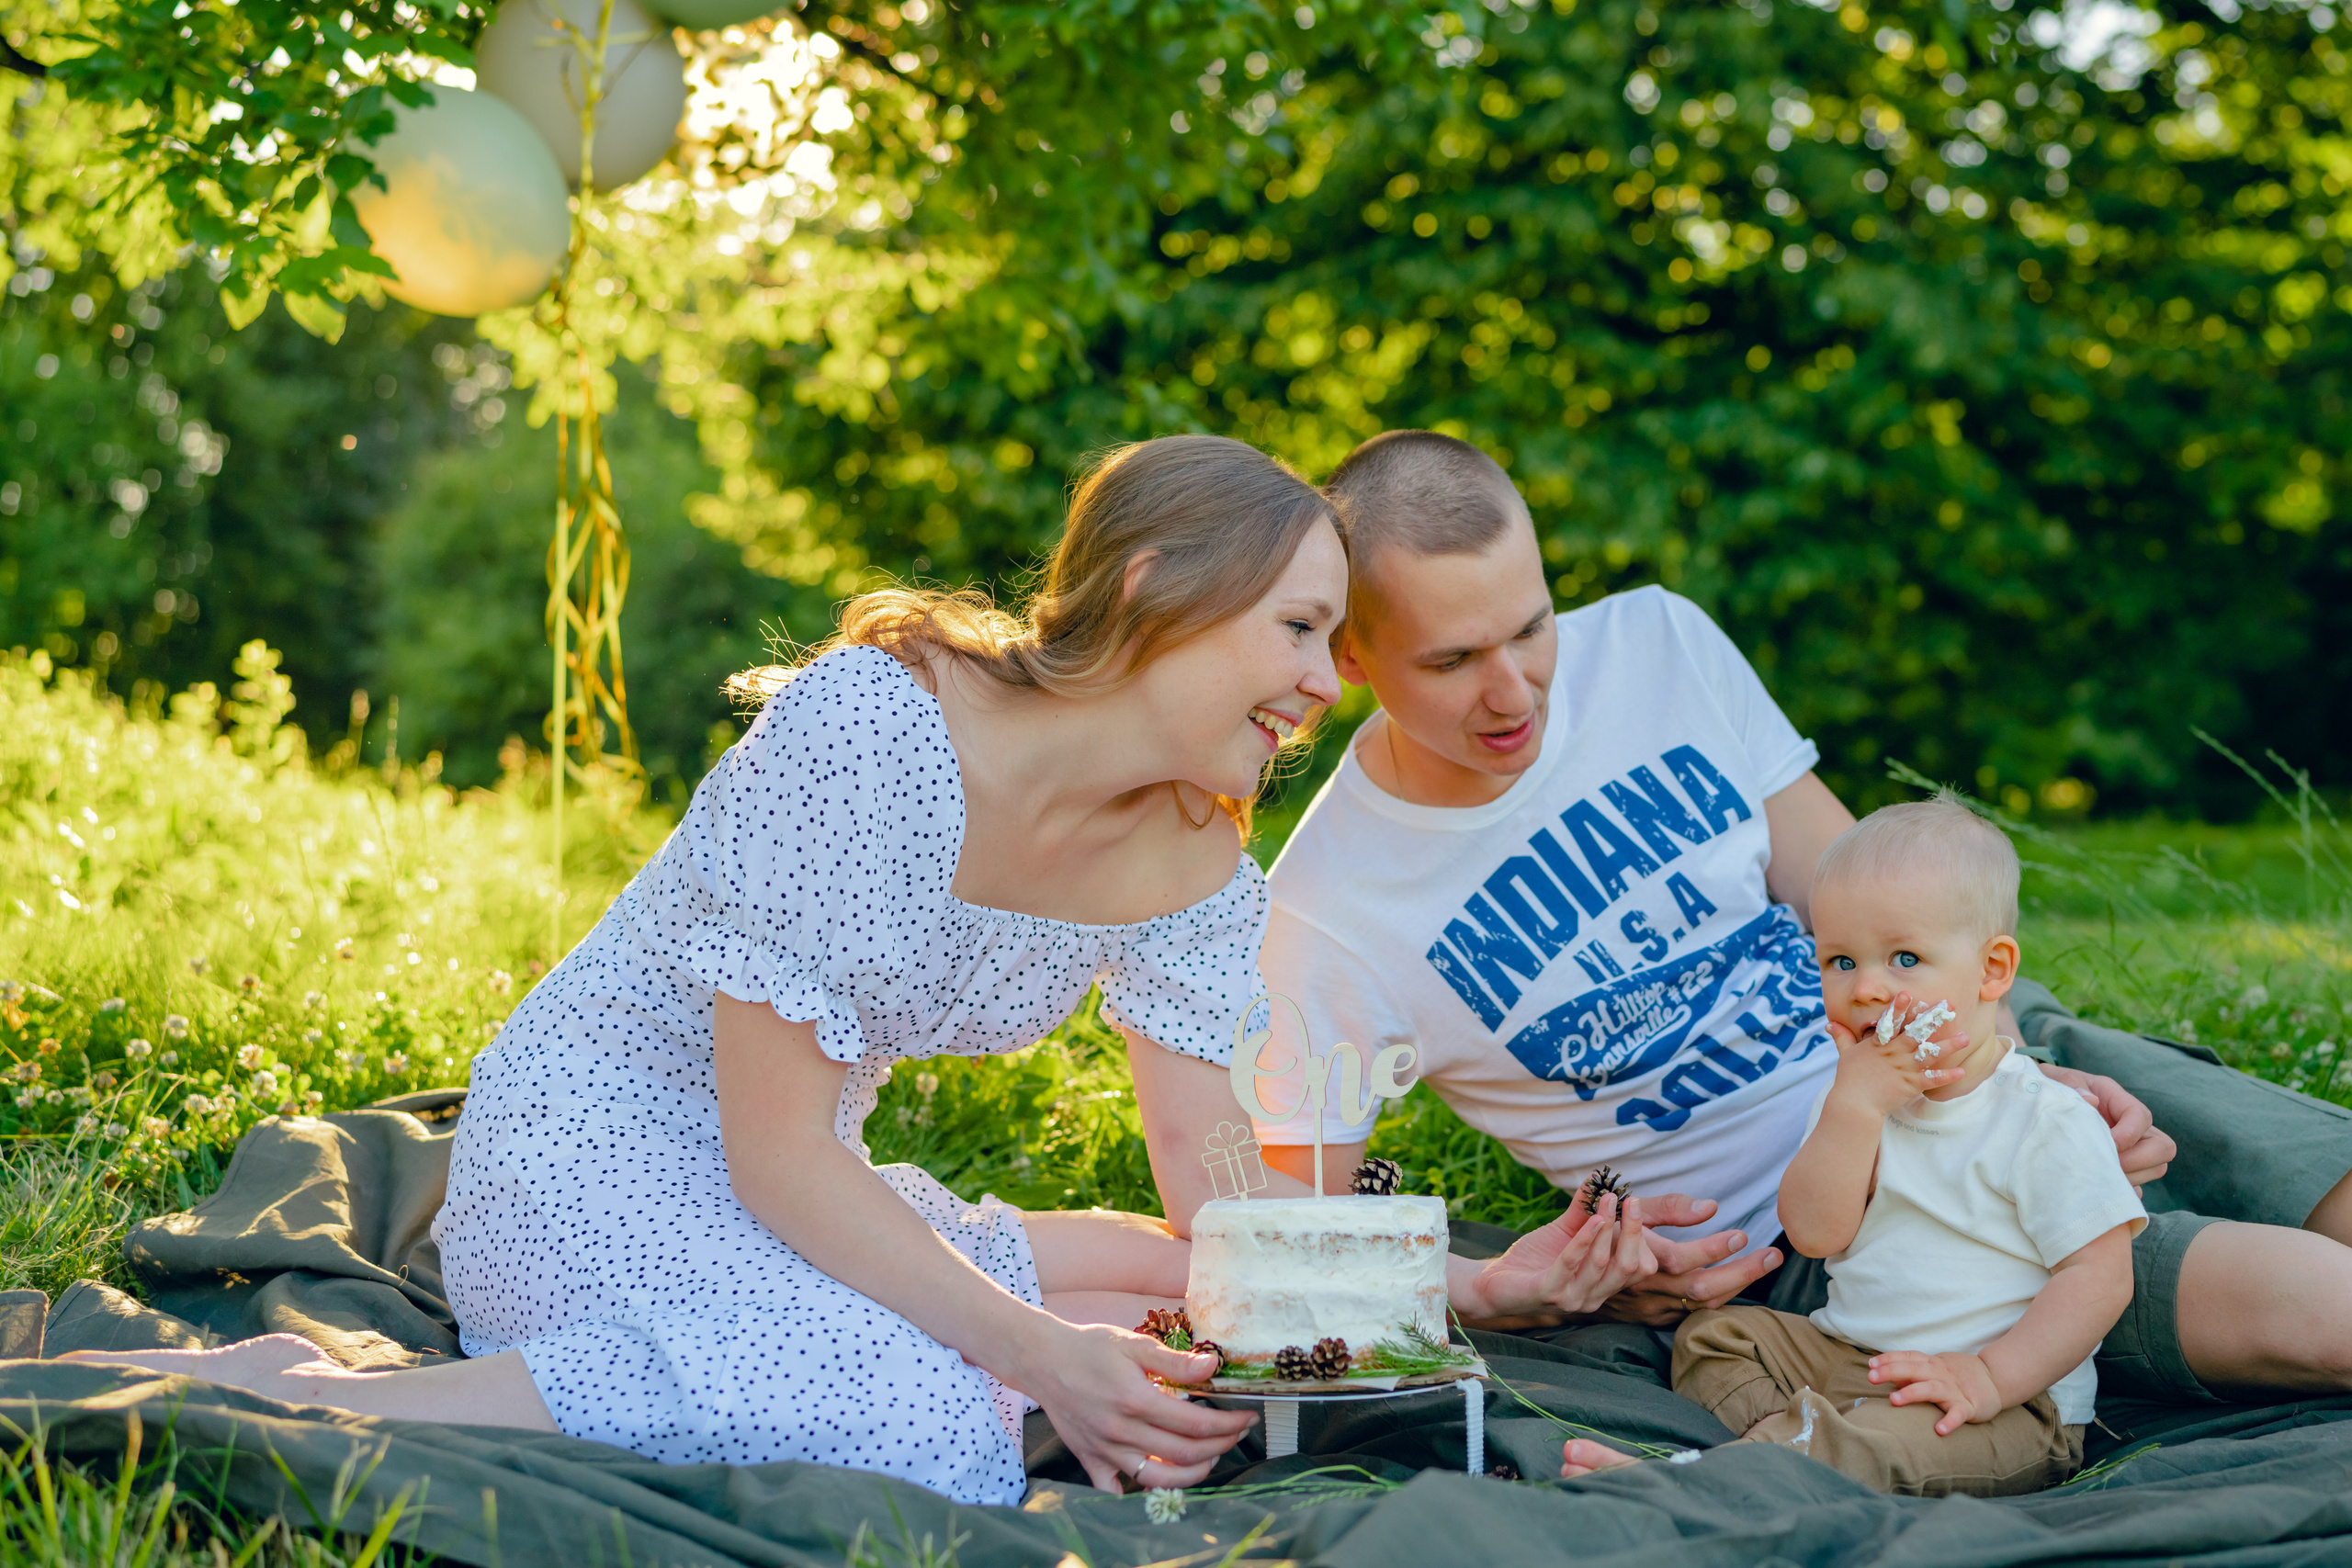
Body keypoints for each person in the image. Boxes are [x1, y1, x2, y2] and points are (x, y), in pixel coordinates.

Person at [62, 434, 1659, 1506]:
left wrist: (1461, 1289)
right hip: (597, 1152)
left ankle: (975, 1331)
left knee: (1151, 1275)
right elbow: (774, 1149)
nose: (1328, 683)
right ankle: (310, 1397)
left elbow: (1213, 1206)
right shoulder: (871, 732)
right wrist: (1035, 1357)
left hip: (802, 1182)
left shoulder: (1194, 850)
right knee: (920, 1394)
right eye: (1304, 632)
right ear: (1166, 591)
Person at [1257, 427, 2352, 1408]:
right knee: (2327, 1317)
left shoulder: (1661, 645)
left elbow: (1871, 891)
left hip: (1979, 1049)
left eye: (1531, 628)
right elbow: (1278, 1226)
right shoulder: (1330, 909)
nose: (1516, 692)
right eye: (1452, 661)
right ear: (1348, 656)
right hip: (1842, 1227)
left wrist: (2013, 1061)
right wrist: (1503, 1294)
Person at [1563, 799, 2143, 1495]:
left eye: (1905, 958)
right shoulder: (1853, 1103)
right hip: (1854, 1358)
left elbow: (2099, 1277)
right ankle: (1798, 1449)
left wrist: (1991, 1375)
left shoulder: (2042, 1116)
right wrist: (1856, 1108)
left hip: (1999, 1402)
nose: (1865, 988)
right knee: (1716, 1338)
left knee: (1883, 1440)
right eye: (1840, 959)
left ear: (1991, 970)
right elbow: (1815, 1233)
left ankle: (1727, 1478)